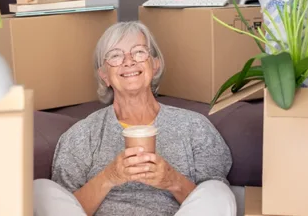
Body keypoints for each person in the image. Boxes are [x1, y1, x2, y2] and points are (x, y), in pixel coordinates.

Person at [34, 21, 236, 216]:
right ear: (104, 74)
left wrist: (171, 179)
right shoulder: (82, 134)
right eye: (115, 56)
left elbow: (213, 201)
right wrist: (109, 177)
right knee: (40, 190)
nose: (128, 61)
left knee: (218, 191)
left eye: (139, 52)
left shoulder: (194, 127)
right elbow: (64, 205)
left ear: (155, 64)